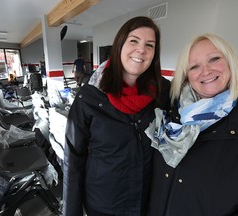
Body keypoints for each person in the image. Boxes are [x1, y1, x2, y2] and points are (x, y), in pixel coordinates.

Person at [145, 33, 238, 215]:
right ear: (187, 76)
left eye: (214, 59)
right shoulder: (170, 118)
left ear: (232, 64)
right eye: (194, 66)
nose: (205, 71)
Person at [63, 16, 170, 216]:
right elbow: (73, 159)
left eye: (150, 45)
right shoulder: (90, 97)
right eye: (134, 41)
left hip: (148, 204)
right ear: (120, 45)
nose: (141, 50)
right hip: (103, 206)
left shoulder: (163, 92)